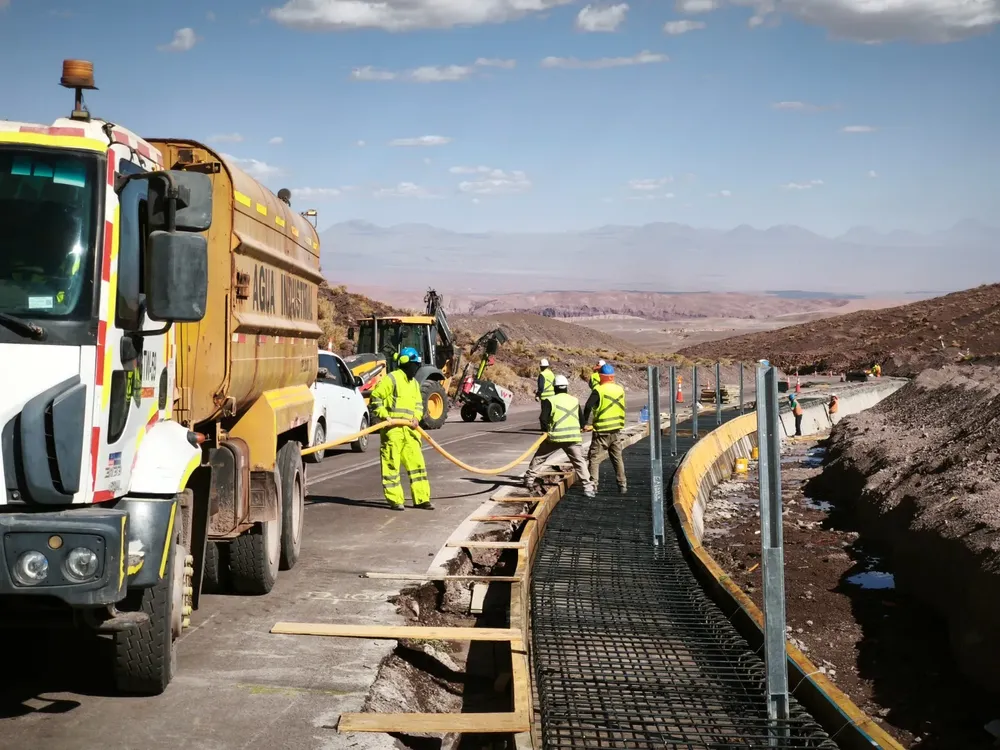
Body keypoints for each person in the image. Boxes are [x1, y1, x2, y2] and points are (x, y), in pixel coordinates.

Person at [370, 346, 432, 512]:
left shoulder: (413, 384)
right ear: (405, 363)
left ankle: (422, 499)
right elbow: (376, 398)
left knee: (417, 466)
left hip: (410, 431)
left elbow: (419, 405)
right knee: (391, 467)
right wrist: (384, 415)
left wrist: (416, 418)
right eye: (415, 364)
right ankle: (395, 500)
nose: (417, 367)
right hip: (393, 431)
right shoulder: (393, 379)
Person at [523, 374, 596, 498]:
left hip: (555, 437)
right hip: (573, 438)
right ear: (566, 387)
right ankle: (588, 488)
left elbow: (543, 419)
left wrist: (546, 431)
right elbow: (581, 420)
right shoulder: (574, 400)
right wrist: (584, 426)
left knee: (540, 457)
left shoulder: (550, 401)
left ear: (555, 387)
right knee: (579, 463)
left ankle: (529, 480)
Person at [583, 364, 627, 493]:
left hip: (601, 431)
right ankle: (622, 484)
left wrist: (584, 423)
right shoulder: (620, 389)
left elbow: (588, 406)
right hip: (616, 431)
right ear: (612, 377)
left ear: (601, 376)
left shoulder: (599, 390)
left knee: (594, 458)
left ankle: (593, 486)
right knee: (617, 458)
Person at [536, 357, 555, 431]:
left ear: (541, 366)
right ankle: (551, 427)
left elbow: (541, 387)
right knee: (551, 413)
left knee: (544, 414)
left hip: (545, 397)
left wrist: (538, 394)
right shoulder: (551, 373)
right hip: (552, 396)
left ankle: (545, 429)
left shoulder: (542, 374)